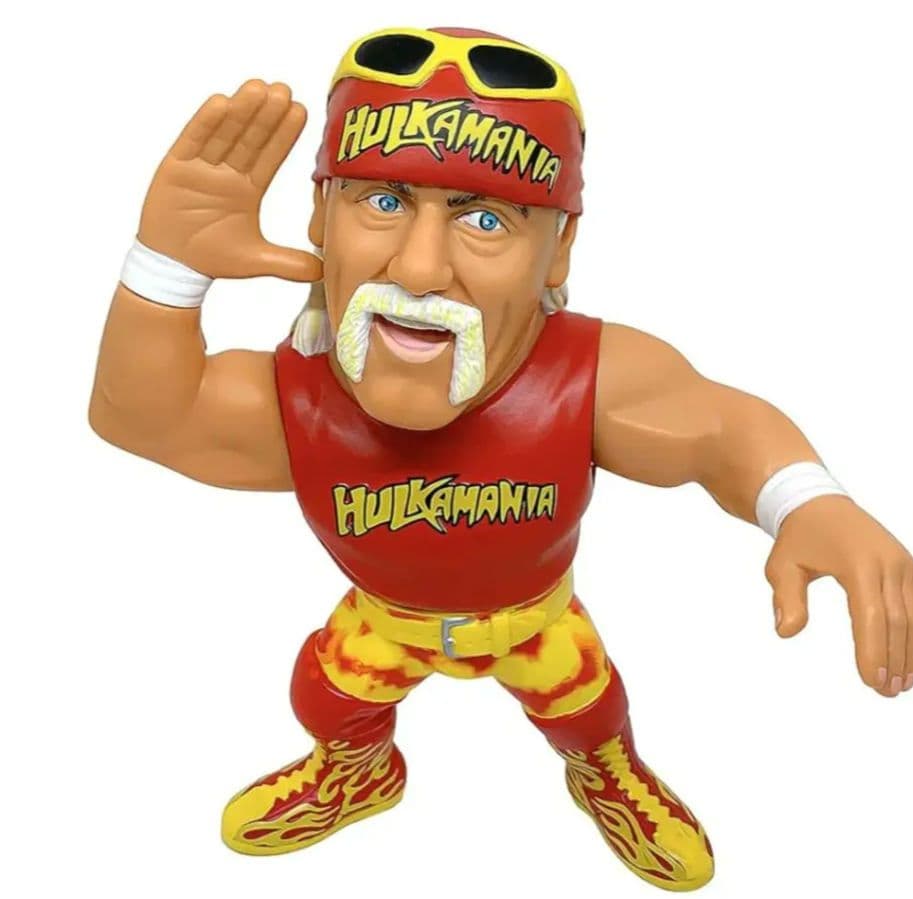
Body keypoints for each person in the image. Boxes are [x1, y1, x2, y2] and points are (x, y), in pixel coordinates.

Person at [88, 25, 913, 893]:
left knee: (587, 710)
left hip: (535, 621)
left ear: (558, 251)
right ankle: (358, 771)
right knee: (327, 694)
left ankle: (601, 773)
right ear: (321, 216)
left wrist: (805, 498)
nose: (419, 268)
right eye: (383, 202)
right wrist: (165, 271)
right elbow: (141, 417)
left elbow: (717, 429)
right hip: (383, 621)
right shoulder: (295, 397)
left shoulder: (588, 379)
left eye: (484, 219)